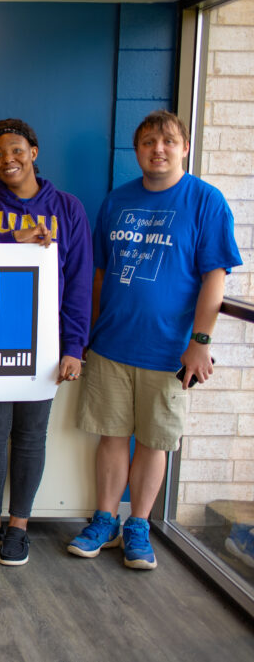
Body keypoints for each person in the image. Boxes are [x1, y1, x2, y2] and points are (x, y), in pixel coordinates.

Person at [69, 110, 242, 569]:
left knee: (154, 442)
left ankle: (138, 526)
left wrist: (200, 341)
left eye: (167, 141)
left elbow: (214, 279)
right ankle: (104, 520)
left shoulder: (205, 201)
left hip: (169, 351)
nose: (157, 149)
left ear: (184, 147)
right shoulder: (117, 202)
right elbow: (100, 275)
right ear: (137, 150)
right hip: (111, 345)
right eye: (148, 142)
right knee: (111, 437)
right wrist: (87, 334)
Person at [0, 118, 92, 566]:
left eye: (15, 150)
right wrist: (12, 238)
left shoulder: (68, 209)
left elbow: (80, 283)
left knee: (31, 436)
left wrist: (74, 346)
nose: (7, 160)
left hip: (44, 344)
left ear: (33, 151)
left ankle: (19, 527)